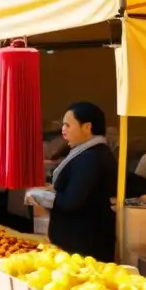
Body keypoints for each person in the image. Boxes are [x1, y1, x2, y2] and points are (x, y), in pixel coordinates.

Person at [28, 102, 117, 262]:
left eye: (68, 125)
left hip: (84, 246)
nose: (63, 129)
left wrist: (40, 195)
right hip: (81, 241)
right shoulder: (89, 153)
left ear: (87, 127)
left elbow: (73, 201)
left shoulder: (91, 158)